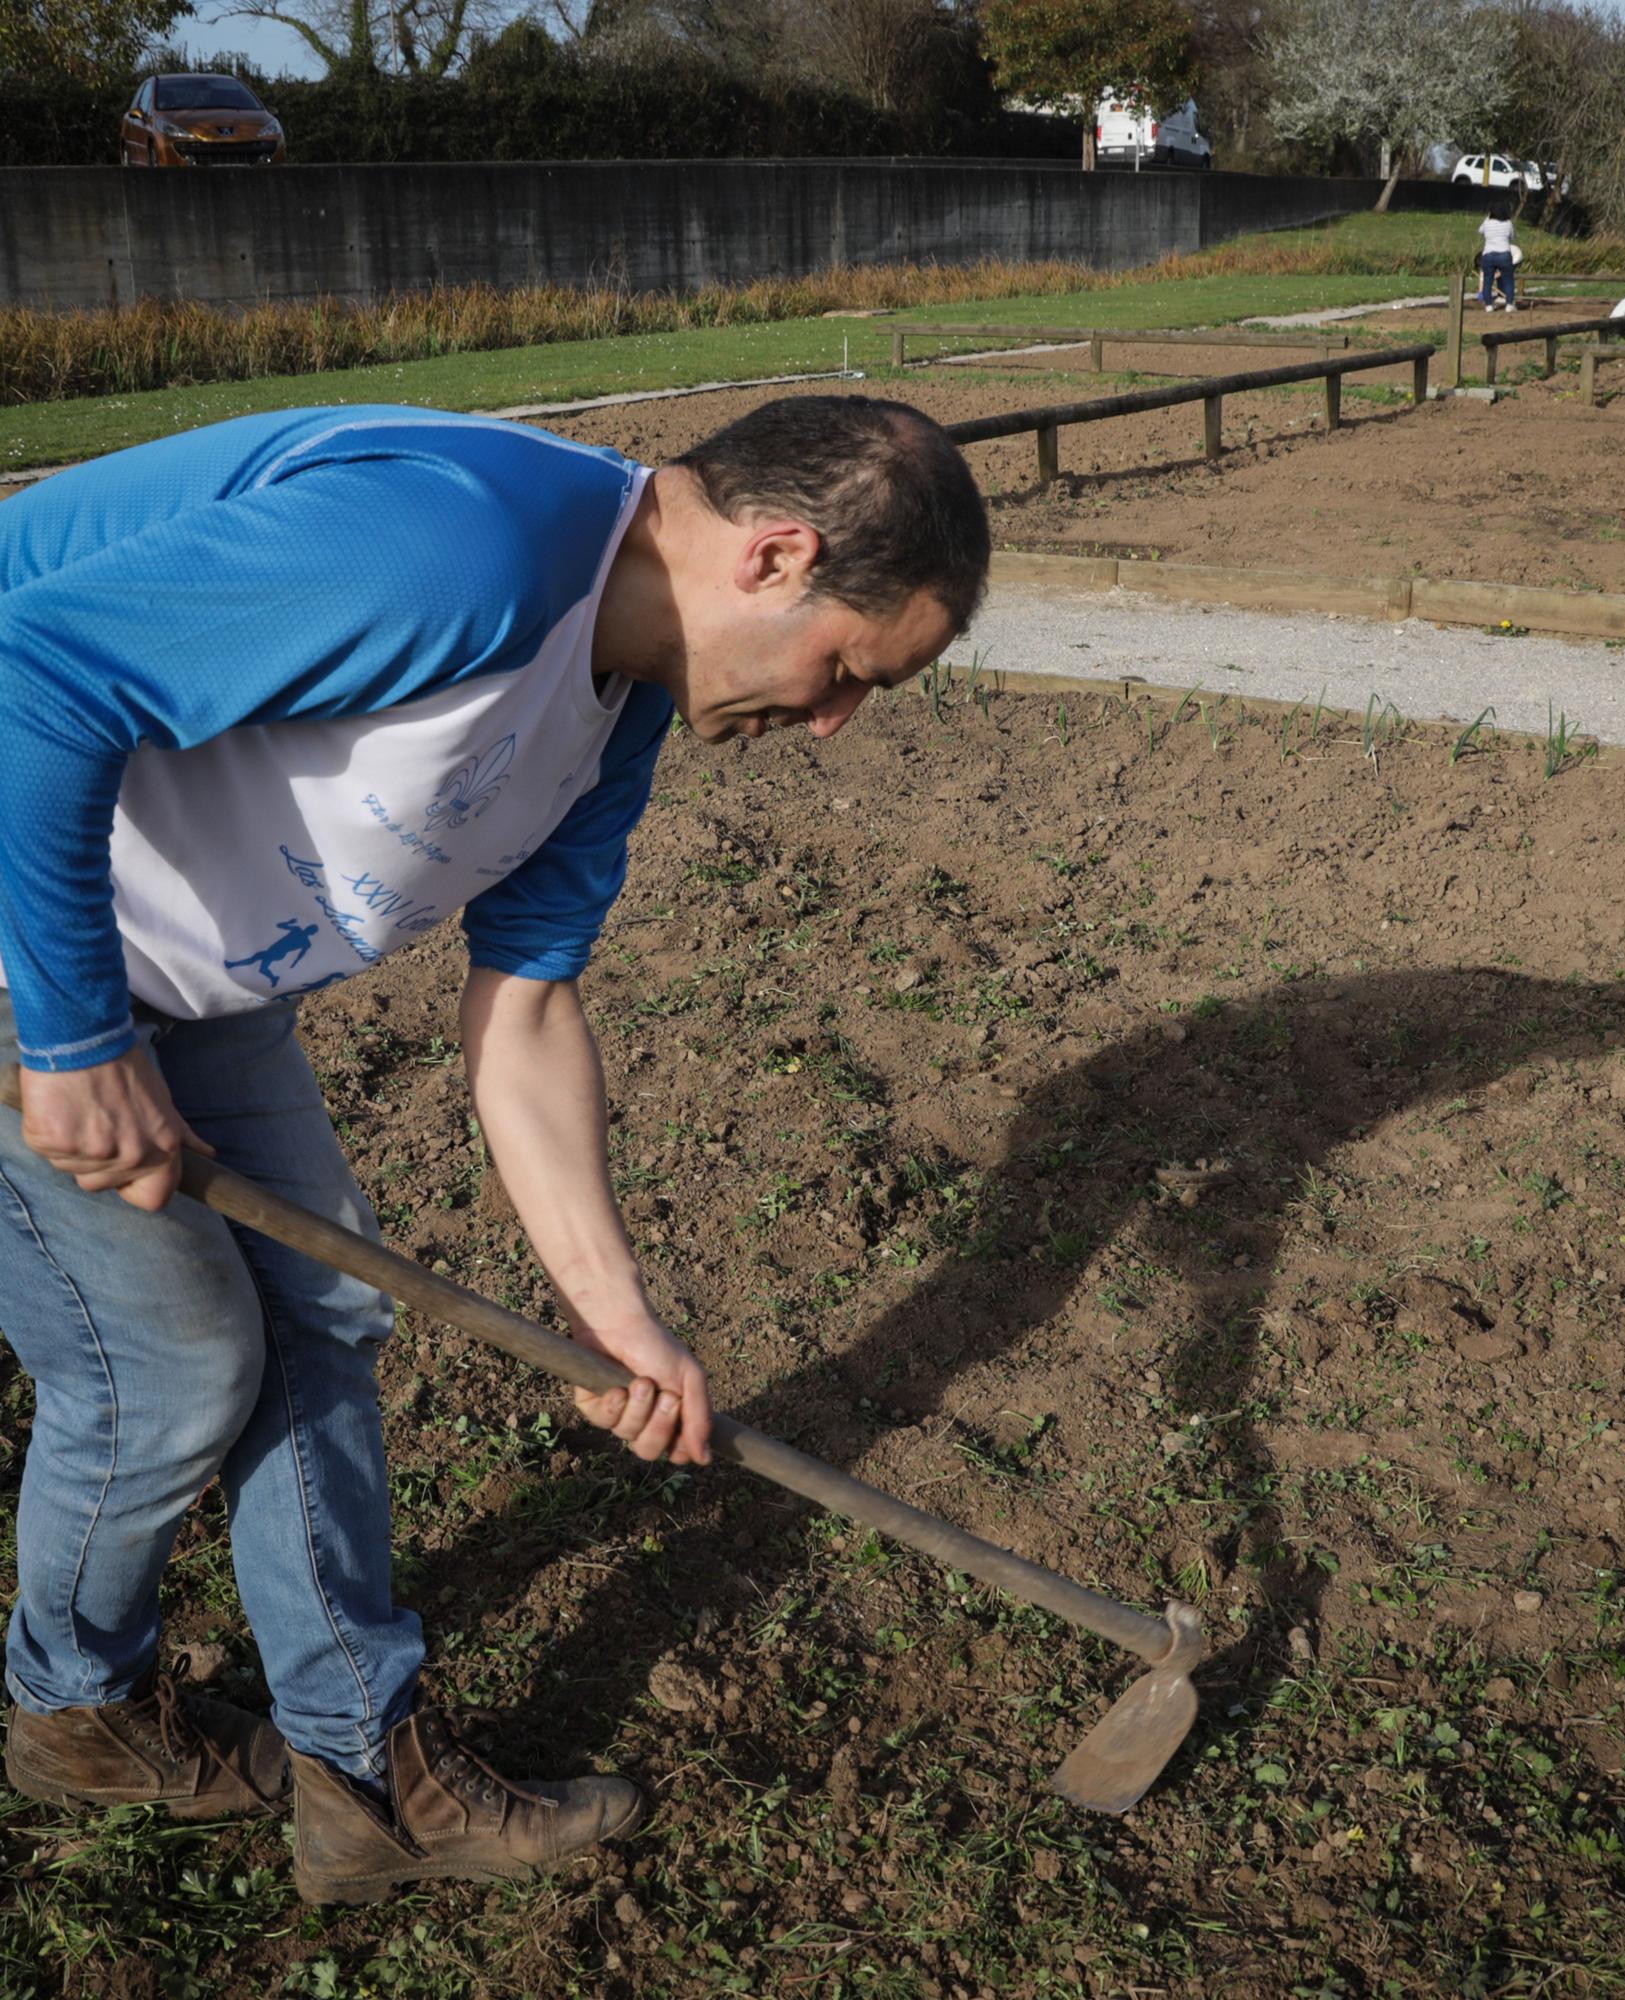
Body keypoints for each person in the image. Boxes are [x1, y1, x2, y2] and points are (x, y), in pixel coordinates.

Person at [0, 395, 989, 1903]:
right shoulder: (455, 550)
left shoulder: (627, 691)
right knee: (169, 1365)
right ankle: (73, 1710)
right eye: (852, 669)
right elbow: (28, 678)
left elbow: (523, 1007)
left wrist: (614, 1313)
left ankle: (363, 1769)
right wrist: (71, 1040)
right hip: (32, 937)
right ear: (777, 557)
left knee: (326, 1314)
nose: (838, 718)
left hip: (185, 963)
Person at [1478, 202, 1517, 312]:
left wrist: (1487, 218)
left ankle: (1488, 305)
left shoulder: (1487, 223)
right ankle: (1509, 305)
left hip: (1488, 254)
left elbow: (1480, 231)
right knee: (1508, 280)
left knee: (1488, 281)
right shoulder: (1508, 223)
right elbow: (1512, 237)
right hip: (1504, 254)